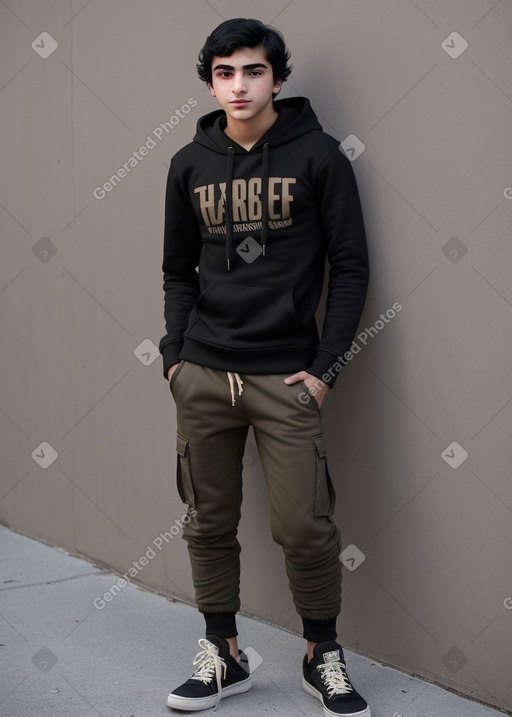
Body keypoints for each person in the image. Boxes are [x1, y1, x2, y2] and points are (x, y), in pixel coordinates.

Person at [159, 17, 370, 717]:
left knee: (304, 524)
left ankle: (322, 654)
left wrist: (323, 368)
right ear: (211, 81)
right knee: (206, 519)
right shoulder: (189, 164)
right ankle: (224, 652)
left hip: (285, 377)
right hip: (203, 375)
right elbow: (177, 269)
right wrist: (175, 356)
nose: (239, 85)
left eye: (252, 71)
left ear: (277, 78)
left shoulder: (319, 157)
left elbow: (350, 266)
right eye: (225, 73)